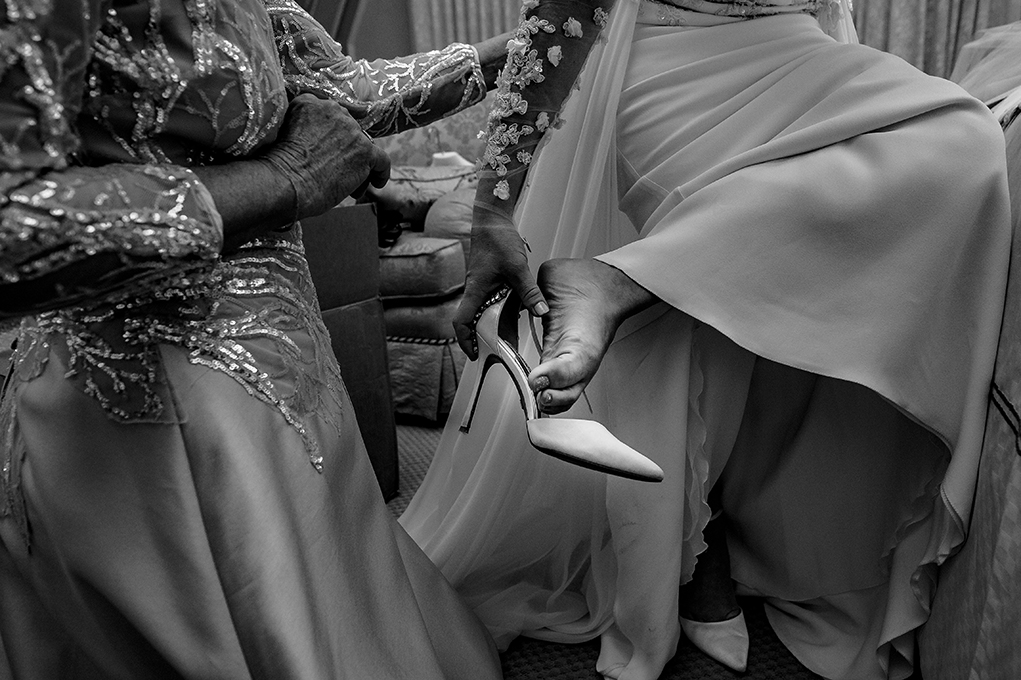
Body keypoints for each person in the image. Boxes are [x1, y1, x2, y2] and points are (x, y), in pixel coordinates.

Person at [399, 1, 1012, 680]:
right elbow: (560, 14)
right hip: (670, 64)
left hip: (801, 55)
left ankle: (623, 290)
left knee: (963, 142)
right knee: (700, 312)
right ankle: (697, 538)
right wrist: (492, 206)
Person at [0, 1, 512, 677]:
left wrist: (531, 41)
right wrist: (281, 181)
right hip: (164, 407)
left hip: (283, 369)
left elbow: (338, 90)